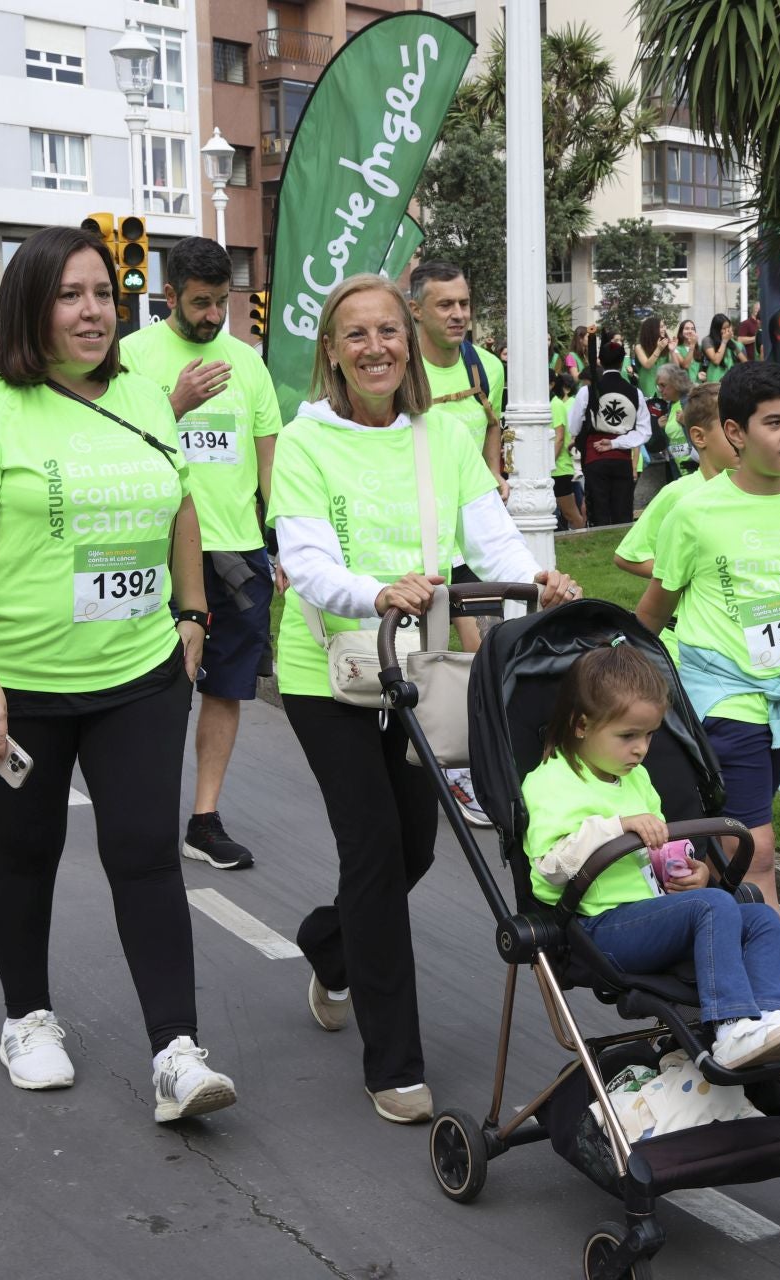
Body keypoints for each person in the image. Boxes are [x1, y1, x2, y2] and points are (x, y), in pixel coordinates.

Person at [0, 223, 235, 1122]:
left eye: (103, 292)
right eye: (71, 295)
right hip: (15, 681)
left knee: (144, 855)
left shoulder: (145, 397)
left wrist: (190, 611)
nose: (93, 310)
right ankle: (27, 1018)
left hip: (138, 672)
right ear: (31, 305)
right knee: (28, 851)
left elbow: (179, 501)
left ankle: (177, 1054)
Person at [266, 272, 579, 1125]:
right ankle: (394, 1061)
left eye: (388, 332)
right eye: (355, 334)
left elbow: (493, 537)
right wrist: (378, 592)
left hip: (425, 668)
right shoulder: (304, 442)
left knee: (413, 849)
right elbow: (309, 563)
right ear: (332, 350)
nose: (375, 348)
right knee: (370, 845)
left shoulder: (441, 433)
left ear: (408, 342)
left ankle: (329, 945)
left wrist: (535, 580)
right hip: (331, 670)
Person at [523, 644, 780, 1067]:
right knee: (712, 905)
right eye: (628, 736)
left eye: (648, 735)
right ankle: (732, 1028)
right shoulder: (550, 782)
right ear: (582, 725)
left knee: (761, 917)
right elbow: (549, 869)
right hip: (600, 928)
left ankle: (775, 1017)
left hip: (653, 914)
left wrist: (688, 873)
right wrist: (616, 826)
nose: (641, 749)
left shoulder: (636, 779)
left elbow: (658, 854)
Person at [635, 363, 780, 911]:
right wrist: (625, 676)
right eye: (774, 423)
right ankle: (772, 991)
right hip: (723, 699)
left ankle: (699, 924)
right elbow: (656, 607)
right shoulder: (695, 511)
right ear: (735, 433)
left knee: (727, 839)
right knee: (757, 849)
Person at [119, 237, 282, 872]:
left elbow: (269, 459)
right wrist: (175, 404)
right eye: (200, 304)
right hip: (155, 549)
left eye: (222, 303)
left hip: (237, 551)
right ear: (169, 297)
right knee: (156, 688)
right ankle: (143, 810)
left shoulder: (248, 362)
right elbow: (107, 445)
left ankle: (204, 818)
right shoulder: (131, 356)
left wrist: (284, 543)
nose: (213, 316)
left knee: (226, 689)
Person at [613, 382, 735, 662]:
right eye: (729, 427)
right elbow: (627, 556)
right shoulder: (678, 494)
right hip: (681, 639)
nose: (740, 436)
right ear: (699, 437)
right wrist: (684, 572)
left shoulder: (754, 493)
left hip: (734, 637)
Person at [410, 262, 506, 489]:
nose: (459, 315)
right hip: (416, 505)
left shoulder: (490, 367)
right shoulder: (400, 370)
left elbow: (492, 422)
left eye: (463, 304)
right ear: (416, 310)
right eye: (445, 305)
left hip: (475, 506)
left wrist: (493, 471)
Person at [570, 338, 652, 527]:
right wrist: (616, 443)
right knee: (622, 511)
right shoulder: (635, 393)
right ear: (622, 360)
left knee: (598, 511)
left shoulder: (587, 392)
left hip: (594, 456)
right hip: (622, 459)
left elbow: (574, 427)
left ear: (600, 360)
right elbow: (644, 432)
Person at [550, 370, 586, 531]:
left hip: (559, 469)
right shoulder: (550, 403)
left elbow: (559, 438)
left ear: (551, 384)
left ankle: (583, 543)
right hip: (553, 469)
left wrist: (548, 464)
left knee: (570, 513)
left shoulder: (555, 404)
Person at [632, 317, 672, 402]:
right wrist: (658, 349)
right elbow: (647, 365)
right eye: (661, 327)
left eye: (664, 326)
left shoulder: (666, 346)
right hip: (647, 390)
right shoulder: (639, 347)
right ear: (652, 329)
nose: (664, 329)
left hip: (664, 389)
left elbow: (673, 366)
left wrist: (672, 350)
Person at [700, 312, 742, 382]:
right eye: (724, 328)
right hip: (714, 380)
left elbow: (744, 360)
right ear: (716, 329)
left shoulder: (730, 342)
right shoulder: (707, 340)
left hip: (730, 380)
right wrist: (724, 341)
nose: (727, 331)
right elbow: (716, 361)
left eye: (728, 327)